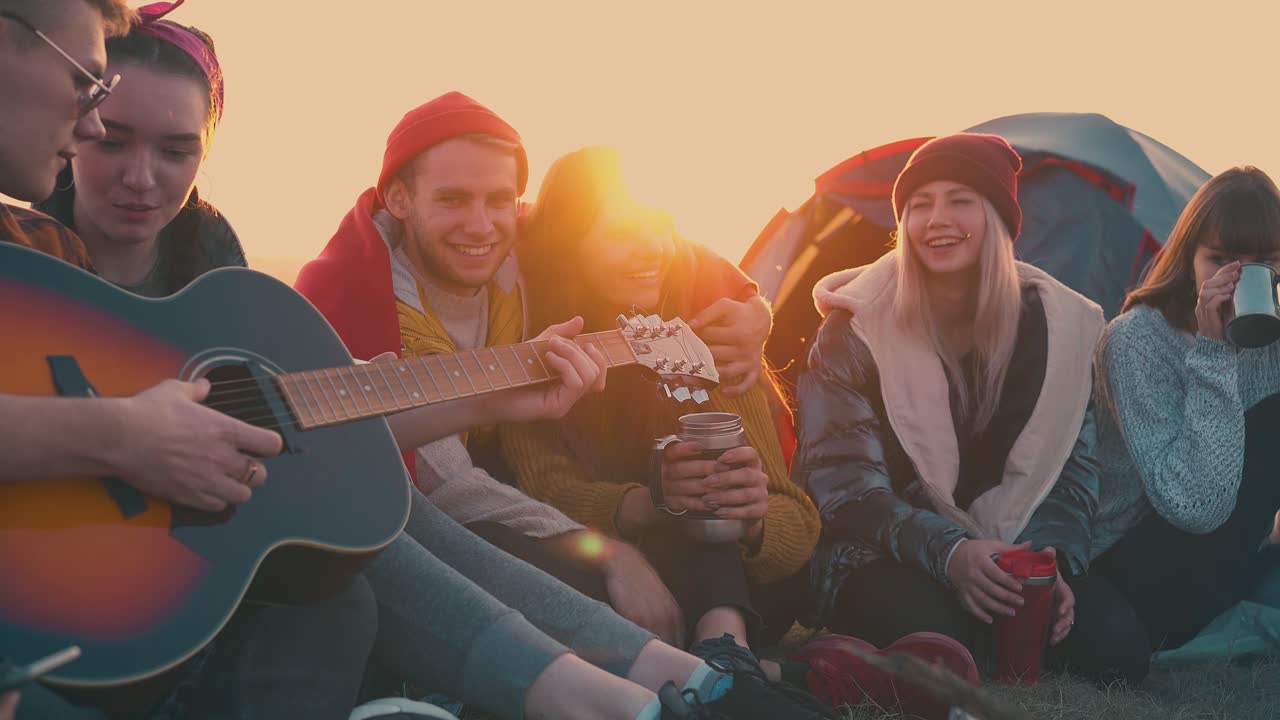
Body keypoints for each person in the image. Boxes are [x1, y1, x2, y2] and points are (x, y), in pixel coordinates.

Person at [296, 95, 833, 720]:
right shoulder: (350, 299)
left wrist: (752, 309)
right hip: (443, 509)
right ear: (398, 199)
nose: (479, 223)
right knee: (579, 574)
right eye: (451, 200)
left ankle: (718, 663)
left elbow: (658, 243)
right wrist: (608, 548)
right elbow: (446, 487)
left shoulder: (519, 245)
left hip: (524, 488)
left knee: (682, 519)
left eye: (499, 201)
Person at [793, 133, 1151, 694]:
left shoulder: (1061, 329)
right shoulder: (854, 328)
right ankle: (845, 652)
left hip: (1008, 551)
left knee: (1118, 652)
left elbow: (1072, 474)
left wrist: (1048, 565)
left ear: (998, 219)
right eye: (919, 204)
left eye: (960, 200)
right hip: (882, 551)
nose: (937, 219)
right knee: (941, 639)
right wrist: (951, 553)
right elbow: (845, 490)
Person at [501, 146, 818, 663]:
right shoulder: (541, 351)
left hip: (741, 588)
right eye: (624, 234)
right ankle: (737, 667)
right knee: (661, 520)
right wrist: (646, 504)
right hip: (611, 576)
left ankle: (725, 652)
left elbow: (799, 526)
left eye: (662, 227)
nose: (652, 248)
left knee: (698, 505)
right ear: (569, 244)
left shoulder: (700, 345)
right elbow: (542, 492)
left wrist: (755, 518)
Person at [1091, 166, 1280, 651]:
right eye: (1220, 259)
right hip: (1137, 564)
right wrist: (1214, 351)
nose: (1237, 278)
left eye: (1265, 263)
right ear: (1187, 257)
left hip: (1225, 556)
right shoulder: (1136, 340)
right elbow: (1196, 506)